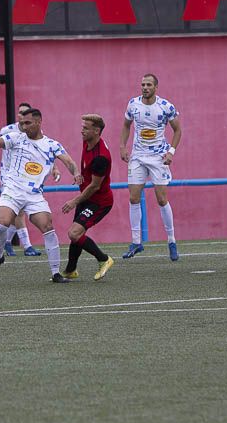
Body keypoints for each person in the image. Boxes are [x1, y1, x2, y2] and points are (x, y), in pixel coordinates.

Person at [0, 107, 80, 283]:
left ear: (39, 122)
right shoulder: (15, 138)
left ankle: (55, 273)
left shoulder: (52, 145)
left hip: (34, 195)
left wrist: (76, 173)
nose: (24, 126)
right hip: (13, 190)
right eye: (22, 123)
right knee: (3, 222)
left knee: (48, 227)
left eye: (28, 123)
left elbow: (69, 161)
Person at [120, 73, 182, 261]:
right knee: (133, 197)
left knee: (162, 199)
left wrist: (171, 151)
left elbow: (178, 130)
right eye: (142, 84)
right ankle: (136, 242)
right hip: (138, 156)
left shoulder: (165, 107)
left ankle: (171, 240)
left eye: (148, 85)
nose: (145, 87)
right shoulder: (133, 104)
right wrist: (123, 146)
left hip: (158, 157)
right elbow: (126, 125)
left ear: (156, 87)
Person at [0, 101, 42, 257]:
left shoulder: (34, 132)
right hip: (8, 175)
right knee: (19, 211)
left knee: (17, 211)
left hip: (28, 176)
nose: (22, 115)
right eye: (20, 112)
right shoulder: (8, 130)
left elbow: (43, 150)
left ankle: (6, 241)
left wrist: (53, 168)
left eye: (25, 113)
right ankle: (27, 246)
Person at [59, 114, 115, 280]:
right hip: (86, 197)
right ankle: (70, 270)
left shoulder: (101, 157)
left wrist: (74, 201)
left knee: (74, 233)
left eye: (85, 128)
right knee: (77, 233)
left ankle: (104, 259)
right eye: (82, 126)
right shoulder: (88, 141)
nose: (81, 130)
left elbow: (95, 186)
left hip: (99, 202)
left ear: (96, 131)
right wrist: (79, 174)